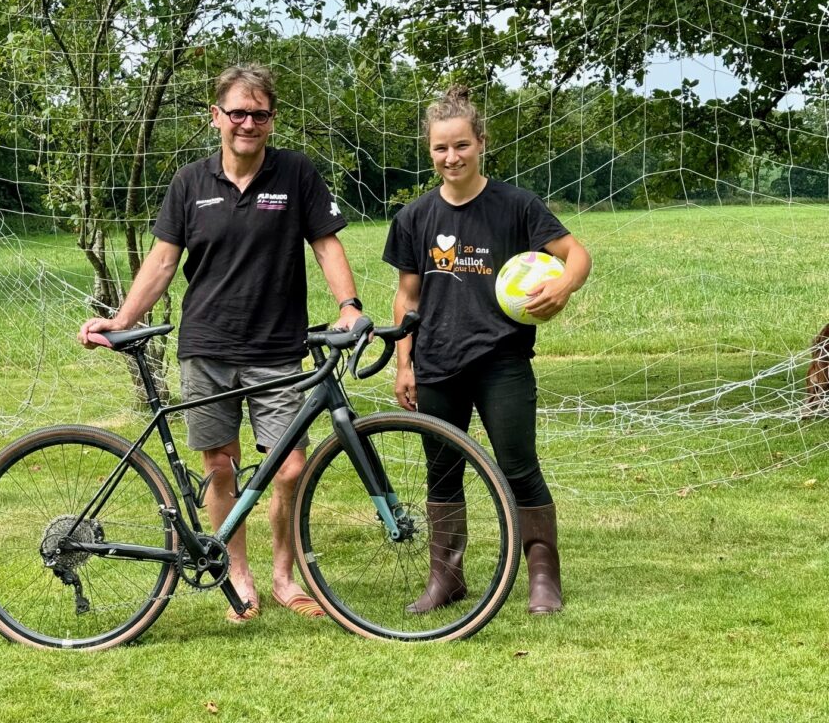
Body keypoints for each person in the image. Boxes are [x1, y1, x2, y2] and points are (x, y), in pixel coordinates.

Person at [79, 64, 363, 623]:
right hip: (206, 345)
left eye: (259, 114)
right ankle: (239, 576)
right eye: (237, 112)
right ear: (217, 118)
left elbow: (327, 246)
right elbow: (162, 262)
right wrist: (121, 318)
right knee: (220, 467)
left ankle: (285, 576)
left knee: (289, 469)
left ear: (271, 120)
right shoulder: (190, 183)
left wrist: (348, 305)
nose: (248, 123)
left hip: (277, 348)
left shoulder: (296, 174)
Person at [383, 86, 591, 615]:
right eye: (439, 149)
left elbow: (576, 256)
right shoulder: (414, 217)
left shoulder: (516, 206)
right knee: (441, 471)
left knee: (518, 466)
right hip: (436, 364)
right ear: (429, 151)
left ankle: (544, 576)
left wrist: (562, 288)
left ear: (481, 143)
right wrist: (404, 364)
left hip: (502, 363)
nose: (451, 158)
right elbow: (407, 296)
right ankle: (446, 578)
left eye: (460, 146)